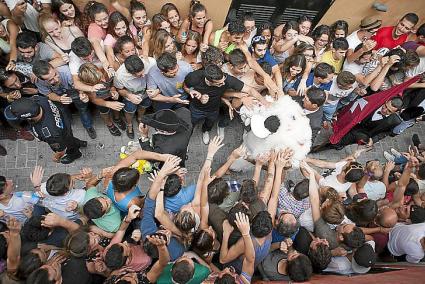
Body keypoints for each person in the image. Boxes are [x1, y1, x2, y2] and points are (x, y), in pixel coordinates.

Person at [184, 63, 269, 144]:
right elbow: (185, 86)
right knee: (191, 123)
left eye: (223, 80)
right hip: (196, 108)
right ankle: (187, 138)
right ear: (210, 82)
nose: (224, 84)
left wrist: (265, 102)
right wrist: (191, 91)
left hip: (214, 109)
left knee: (209, 123)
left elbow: (250, 90)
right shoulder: (194, 77)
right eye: (219, 83)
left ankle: (205, 131)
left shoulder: (227, 79)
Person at [4, 96, 86, 164]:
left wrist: (56, 158)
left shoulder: (49, 133)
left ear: (28, 117)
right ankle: (80, 143)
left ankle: (75, 154)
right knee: (70, 138)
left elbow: (61, 150)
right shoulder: (38, 100)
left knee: (68, 144)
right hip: (64, 124)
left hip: (61, 135)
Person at [32, 60, 96, 139]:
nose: (56, 79)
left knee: (83, 109)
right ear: (41, 79)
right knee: (62, 111)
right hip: (58, 96)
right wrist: (59, 99)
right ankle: (68, 124)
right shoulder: (38, 81)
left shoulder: (66, 72)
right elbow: (48, 94)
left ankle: (88, 126)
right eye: (50, 80)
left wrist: (82, 93)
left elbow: (77, 85)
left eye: (55, 74)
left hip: (74, 92)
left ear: (54, 68)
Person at [114, 54, 156, 138]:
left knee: (143, 107)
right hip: (131, 96)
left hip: (147, 93)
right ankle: (129, 125)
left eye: (143, 71)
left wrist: (155, 89)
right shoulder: (119, 76)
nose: (143, 75)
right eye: (139, 75)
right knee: (130, 111)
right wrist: (129, 96)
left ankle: (140, 119)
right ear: (130, 73)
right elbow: (119, 89)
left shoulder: (151, 62)